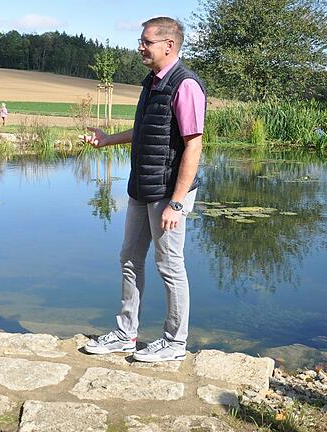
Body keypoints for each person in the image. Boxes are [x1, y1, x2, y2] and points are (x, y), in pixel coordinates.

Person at [82, 17, 205, 362]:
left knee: (170, 265)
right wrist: (108, 141)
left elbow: (193, 146)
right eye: (141, 41)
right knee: (130, 259)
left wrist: (177, 203)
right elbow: (146, 132)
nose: (140, 47)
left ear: (169, 45)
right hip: (141, 187)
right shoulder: (152, 83)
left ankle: (175, 343)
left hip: (168, 192)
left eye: (146, 42)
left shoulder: (186, 85)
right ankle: (125, 334)